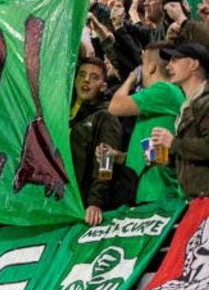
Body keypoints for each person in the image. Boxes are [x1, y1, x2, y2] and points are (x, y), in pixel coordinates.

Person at [108, 41, 185, 203]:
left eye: (142, 64)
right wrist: (120, 157)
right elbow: (150, 149)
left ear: (151, 67)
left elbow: (114, 106)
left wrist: (130, 80)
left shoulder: (164, 90)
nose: (139, 69)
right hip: (145, 192)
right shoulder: (156, 100)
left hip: (158, 193)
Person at [151, 42, 209, 197]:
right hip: (194, 199)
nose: (168, 66)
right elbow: (194, 158)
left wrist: (173, 143)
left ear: (193, 64)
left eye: (175, 60)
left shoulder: (206, 102)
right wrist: (167, 159)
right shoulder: (187, 106)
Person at [70, 58, 123, 225]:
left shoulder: (106, 117)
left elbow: (107, 160)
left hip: (86, 208)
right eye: (82, 75)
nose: (86, 80)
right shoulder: (65, 115)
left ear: (103, 86)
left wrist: (96, 202)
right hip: (64, 201)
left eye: (94, 77)